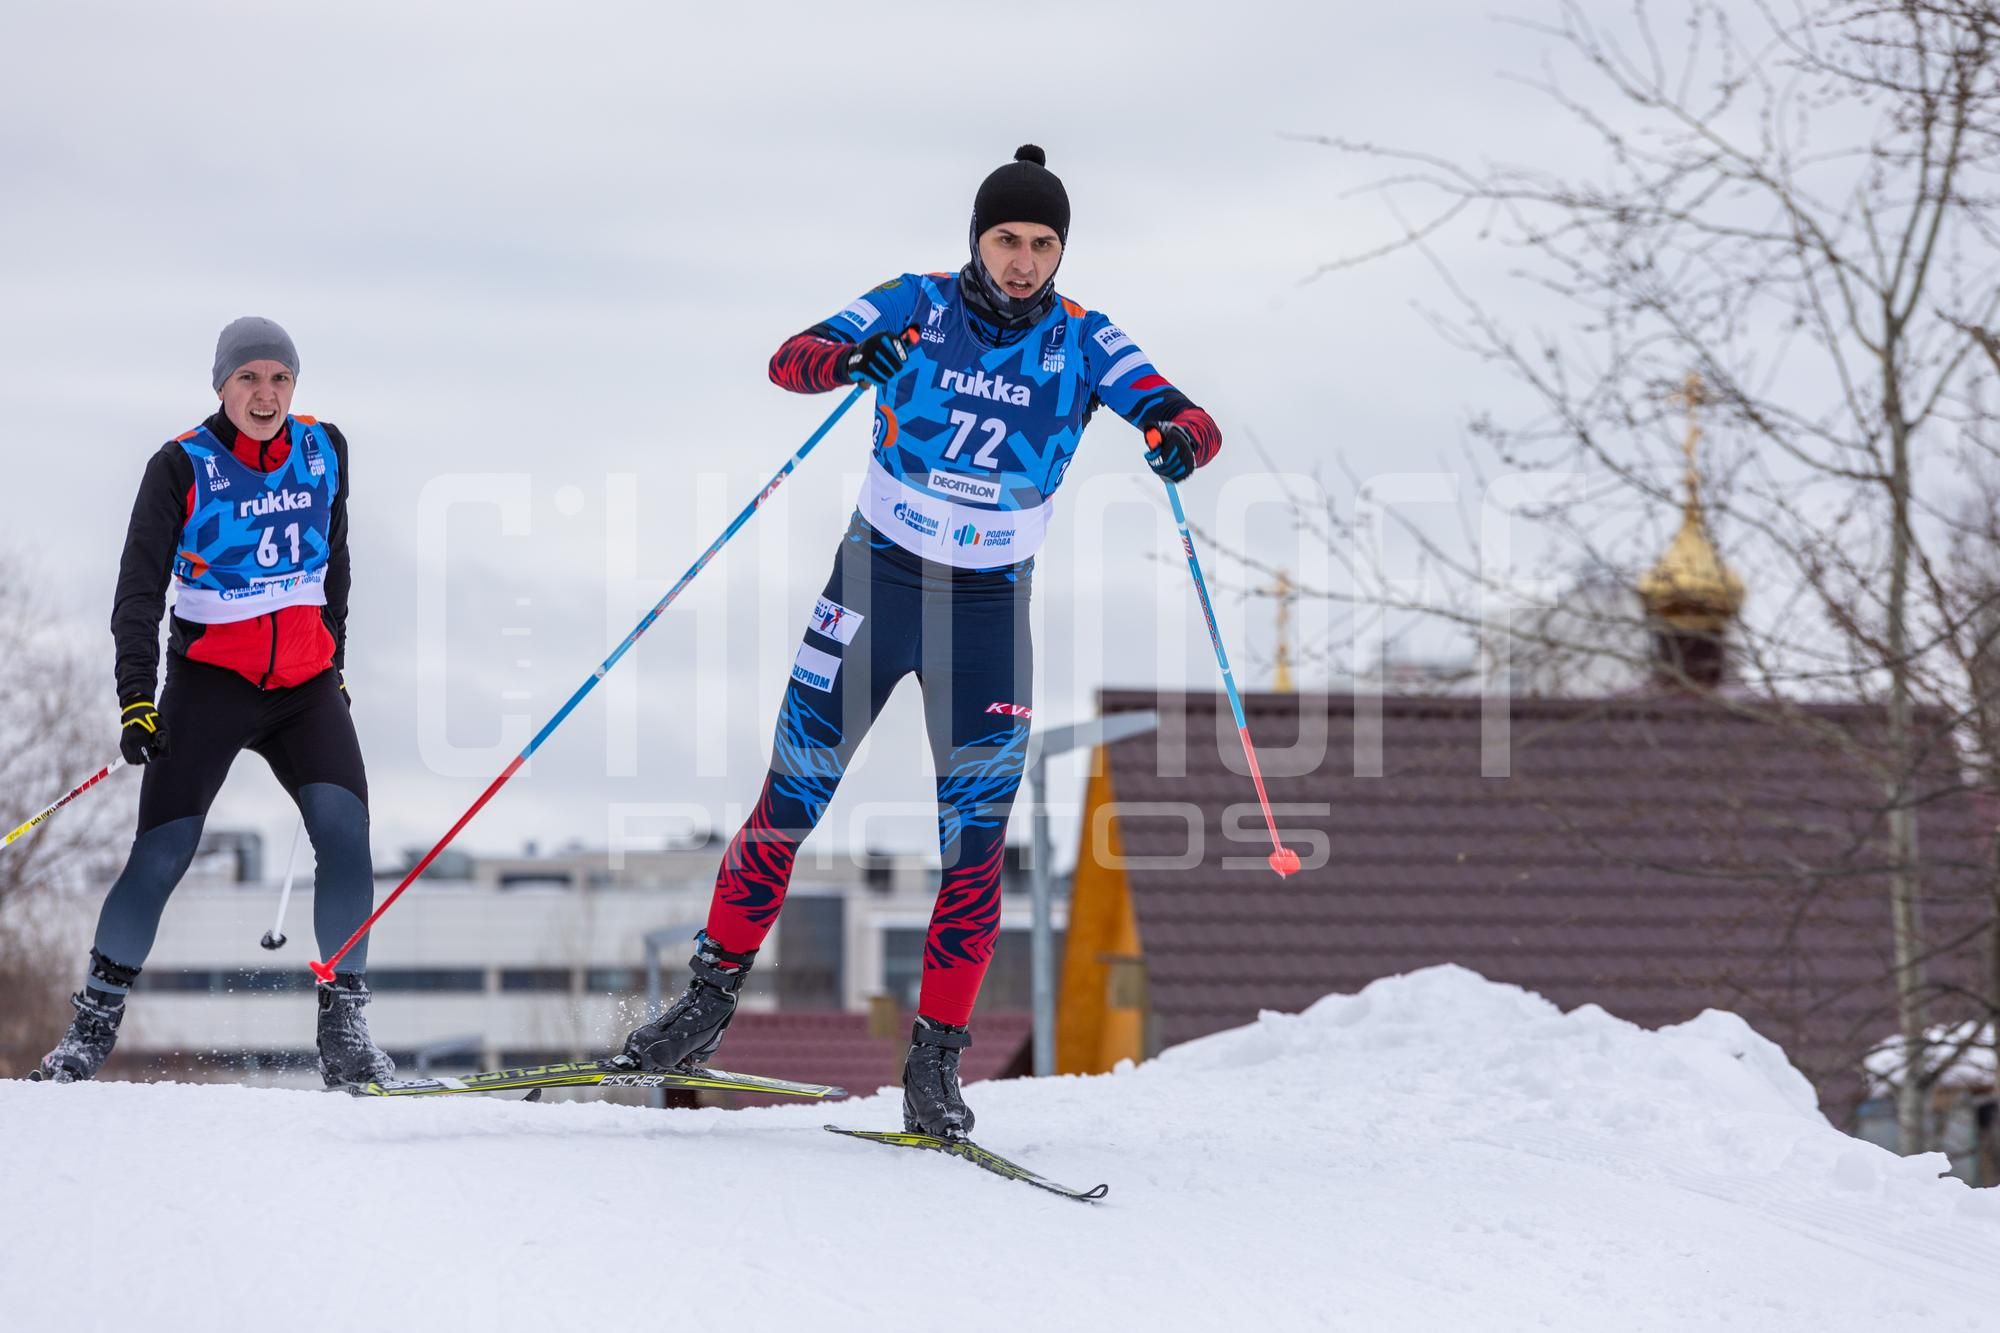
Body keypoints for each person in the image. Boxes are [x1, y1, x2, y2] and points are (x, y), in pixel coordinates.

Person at [621, 146, 1222, 1135]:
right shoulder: (917, 302)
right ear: (974, 240)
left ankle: (934, 1063)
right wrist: (852, 361)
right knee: (792, 792)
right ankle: (707, 997)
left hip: (985, 609)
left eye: (1040, 244)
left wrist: (1175, 437)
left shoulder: (1083, 340)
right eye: (1005, 239)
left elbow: (1182, 411)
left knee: (976, 841)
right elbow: (791, 359)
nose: (1022, 260)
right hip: (875, 583)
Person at [35, 317, 392, 1087]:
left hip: (303, 686)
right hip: (210, 682)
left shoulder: (325, 449)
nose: (265, 395)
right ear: (222, 384)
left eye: (279, 378)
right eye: (248, 378)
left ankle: (347, 1032)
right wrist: (137, 696)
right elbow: (138, 591)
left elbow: (337, 568)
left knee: (347, 830)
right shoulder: (181, 466)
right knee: (162, 851)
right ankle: (89, 1031)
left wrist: (335, 660)